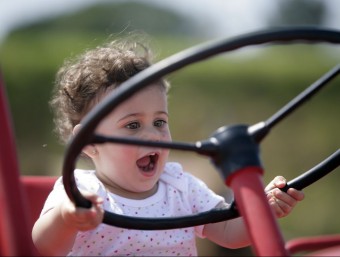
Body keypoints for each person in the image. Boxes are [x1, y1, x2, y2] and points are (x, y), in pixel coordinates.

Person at [32, 35, 305, 256]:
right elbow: (45, 245)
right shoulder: (82, 191)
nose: (153, 135)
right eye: (133, 125)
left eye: (160, 122)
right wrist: (67, 219)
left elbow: (229, 234)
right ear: (89, 142)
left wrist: (264, 209)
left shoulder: (180, 187)